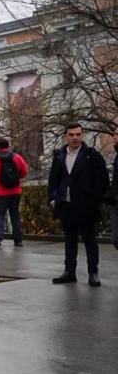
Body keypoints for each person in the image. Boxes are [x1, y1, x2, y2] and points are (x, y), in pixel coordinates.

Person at [47, 122, 111, 287]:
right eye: (71, 135)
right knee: (70, 240)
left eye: (78, 134)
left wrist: (94, 200)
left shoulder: (91, 155)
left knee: (90, 239)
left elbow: (102, 180)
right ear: (66, 136)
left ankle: (93, 273)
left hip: (86, 206)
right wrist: (54, 198)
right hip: (66, 206)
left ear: (82, 135)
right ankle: (69, 272)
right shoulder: (59, 155)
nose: (75, 138)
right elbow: (53, 180)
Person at [0, 138, 29, 248]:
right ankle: (18, 240)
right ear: (8, 146)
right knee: (15, 215)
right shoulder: (17, 158)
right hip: (15, 191)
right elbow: (24, 172)